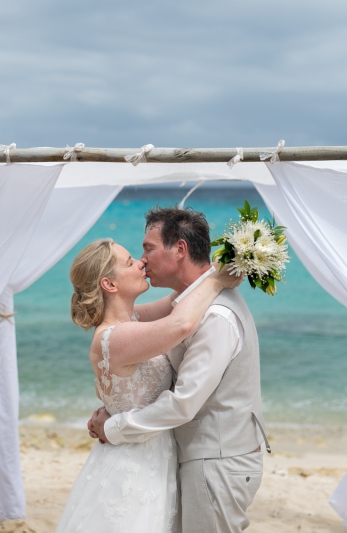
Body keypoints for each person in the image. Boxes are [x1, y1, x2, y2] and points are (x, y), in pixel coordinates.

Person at [88, 206, 270, 533]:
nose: (143, 260)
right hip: (190, 460)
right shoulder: (187, 304)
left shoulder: (213, 316)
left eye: (148, 248)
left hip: (217, 462)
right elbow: (146, 324)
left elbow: (183, 402)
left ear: (180, 250)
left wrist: (114, 425)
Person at [55, 234, 242, 533]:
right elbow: (181, 323)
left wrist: (225, 263)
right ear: (110, 284)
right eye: (129, 262)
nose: (141, 262)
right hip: (135, 464)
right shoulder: (115, 337)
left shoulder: (133, 320)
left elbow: (178, 301)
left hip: (152, 454)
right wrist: (217, 281)